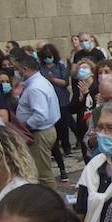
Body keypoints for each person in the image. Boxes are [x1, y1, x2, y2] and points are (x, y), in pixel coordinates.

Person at [12, 53, 63, 190]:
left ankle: (52, 205)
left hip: (39, 133)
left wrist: (24, 127)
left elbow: (40, 115)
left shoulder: (35, 87)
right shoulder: (37, 82)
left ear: (24, 69)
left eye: (17, 69)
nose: (16, 72)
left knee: (42, 173)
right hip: (42, 131)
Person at [38, 43, 74, 175]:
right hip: (48, 103)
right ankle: (56, 147)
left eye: (50, 56)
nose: (49, 58)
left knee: (63, 126)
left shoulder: (60, 66)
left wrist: (52, 79)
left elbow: (65, 82)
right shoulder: (41, 68)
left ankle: (67, 147)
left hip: (62, 100)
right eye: (46, 56)